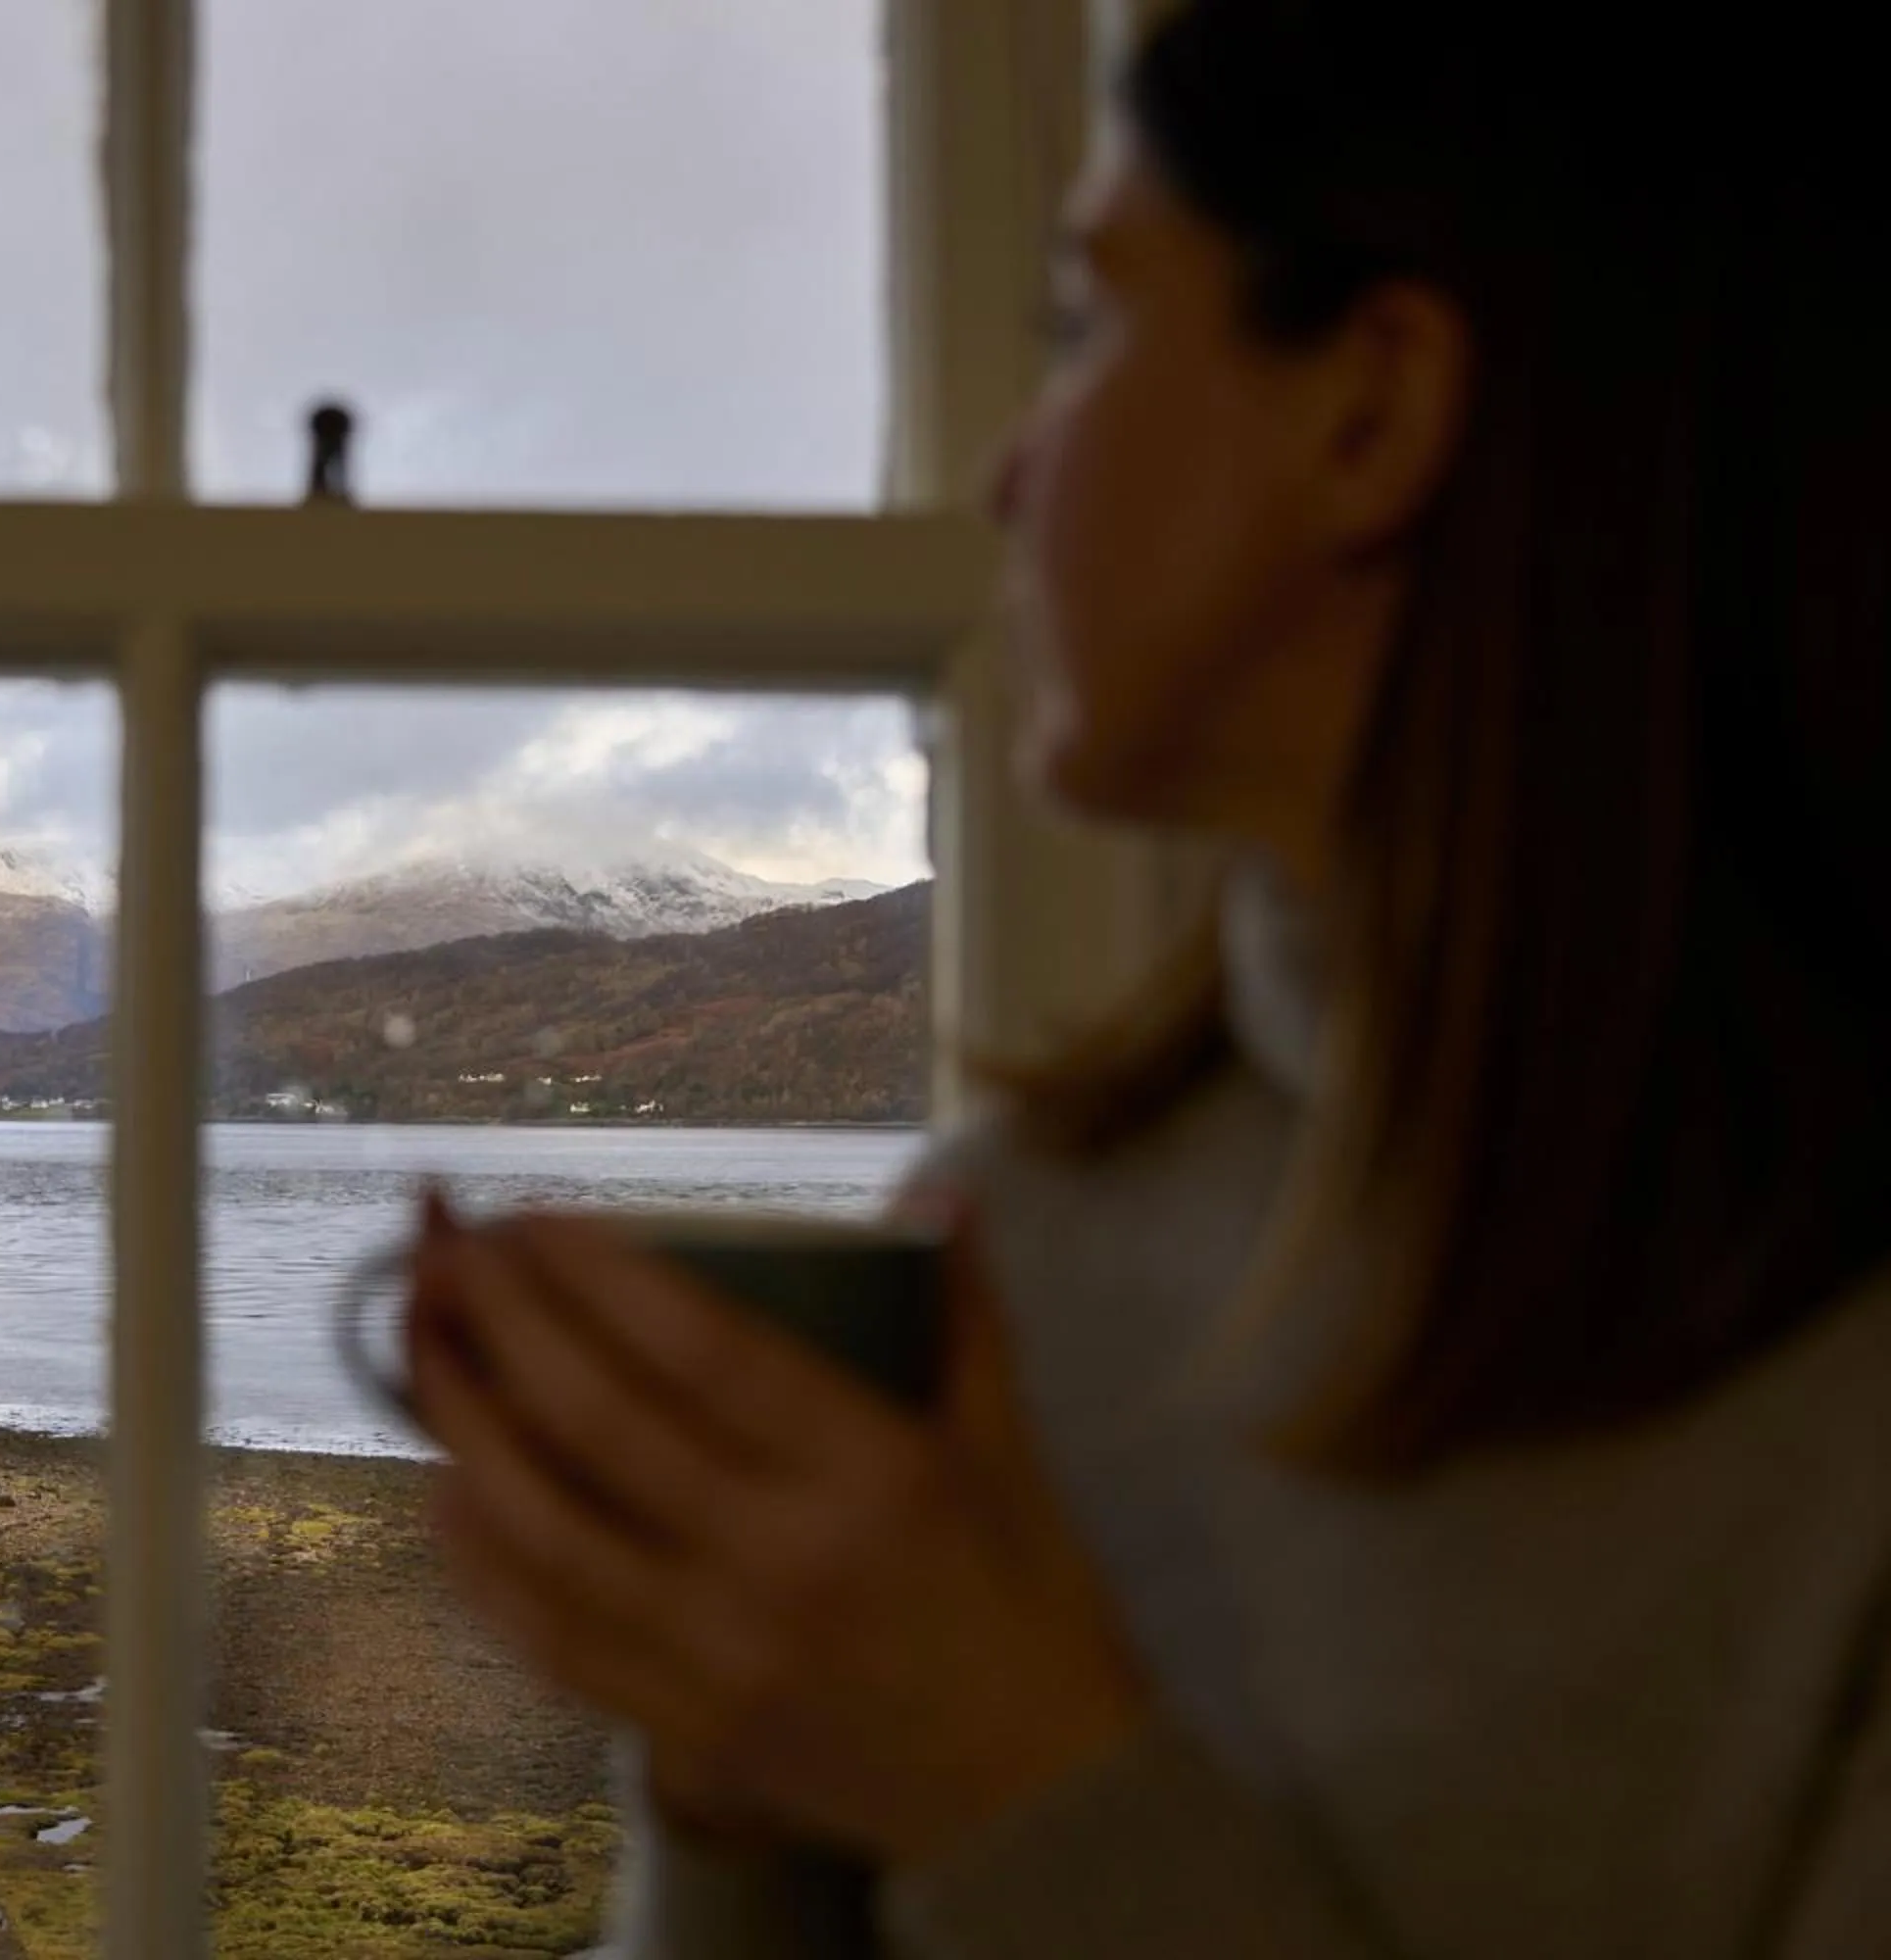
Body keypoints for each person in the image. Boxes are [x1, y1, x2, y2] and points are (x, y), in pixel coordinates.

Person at [398, 3, 1891, 1953]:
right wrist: (735, 1767)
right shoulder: (1020, 1243)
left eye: (1089, 323)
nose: (1015, 475)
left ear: (1370, 412)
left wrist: (1011, 1783)